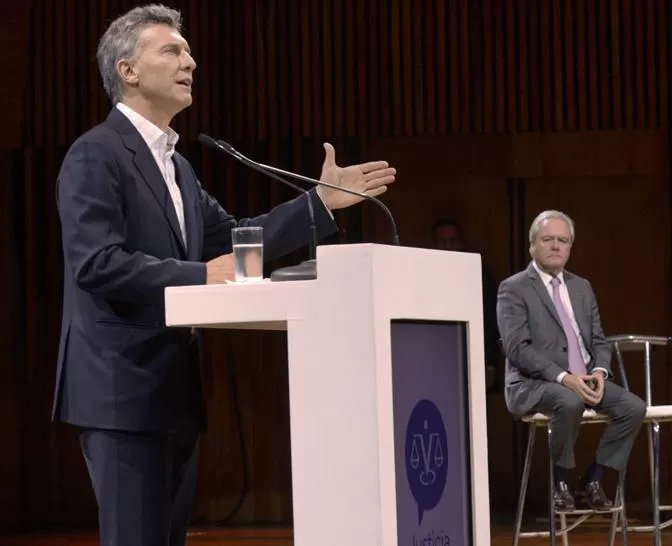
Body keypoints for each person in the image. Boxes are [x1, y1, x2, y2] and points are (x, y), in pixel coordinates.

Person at [53, 5, 396, 545]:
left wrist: (320, 203)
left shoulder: (177, 165)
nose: (190, 60)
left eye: (188, 52)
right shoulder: (95, 154)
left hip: (173, 391)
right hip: (120, 391)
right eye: (172, 50)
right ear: (128, 70)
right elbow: (97, 263)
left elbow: (238, 242)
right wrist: (198, 276)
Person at [497, 210, 645, 512]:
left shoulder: (581, 287)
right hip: (536, 383)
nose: (555, 246)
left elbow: (599, 340)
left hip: (586, 378)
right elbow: (517, 349)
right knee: (569, 402)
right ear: (532, 246)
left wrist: (600, 372)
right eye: (548, 239)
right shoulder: (514, 287)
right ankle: (560, 482)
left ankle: (593, 478)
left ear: (570, 247)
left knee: (633, 407)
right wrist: (565, 378)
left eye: (562, 241)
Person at [430, 218, 502, 389]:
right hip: (435, 358)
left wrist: (490, 362)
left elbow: (491, 319)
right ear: (433, 243)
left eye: (452, 241)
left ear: (460, 243)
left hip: (471, 358)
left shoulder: (476, 274)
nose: (447, 246)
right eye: (442, 241)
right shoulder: (424, 274)